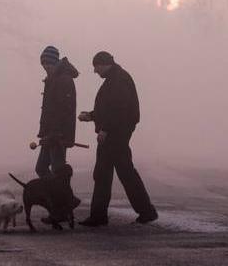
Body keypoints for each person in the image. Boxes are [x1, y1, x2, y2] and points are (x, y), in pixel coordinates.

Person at [78, 51, 157, 226]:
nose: (95, 71)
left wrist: (105, 129)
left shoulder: (118, 80)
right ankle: (145, 211)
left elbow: (118, 110)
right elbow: (109, 108)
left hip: (115, 136)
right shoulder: (115, 79)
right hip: (115, 134)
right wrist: (91, 116)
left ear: (104, 64)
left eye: (96, 67)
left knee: (110, 174)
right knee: (115, 173)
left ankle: (101, 216)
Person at [35, 45, 79, 179]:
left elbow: (65, 110)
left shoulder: (63, 80)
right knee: (42, 168)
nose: (45, 67)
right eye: (43, 64)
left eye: (48, 63)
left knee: (57, 170)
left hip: (58, 135)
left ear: (55, 62)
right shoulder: (52, 79)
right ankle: (56, 195)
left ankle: (64, 197)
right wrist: (45, 132)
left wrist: (57, 133)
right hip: (50, 134)